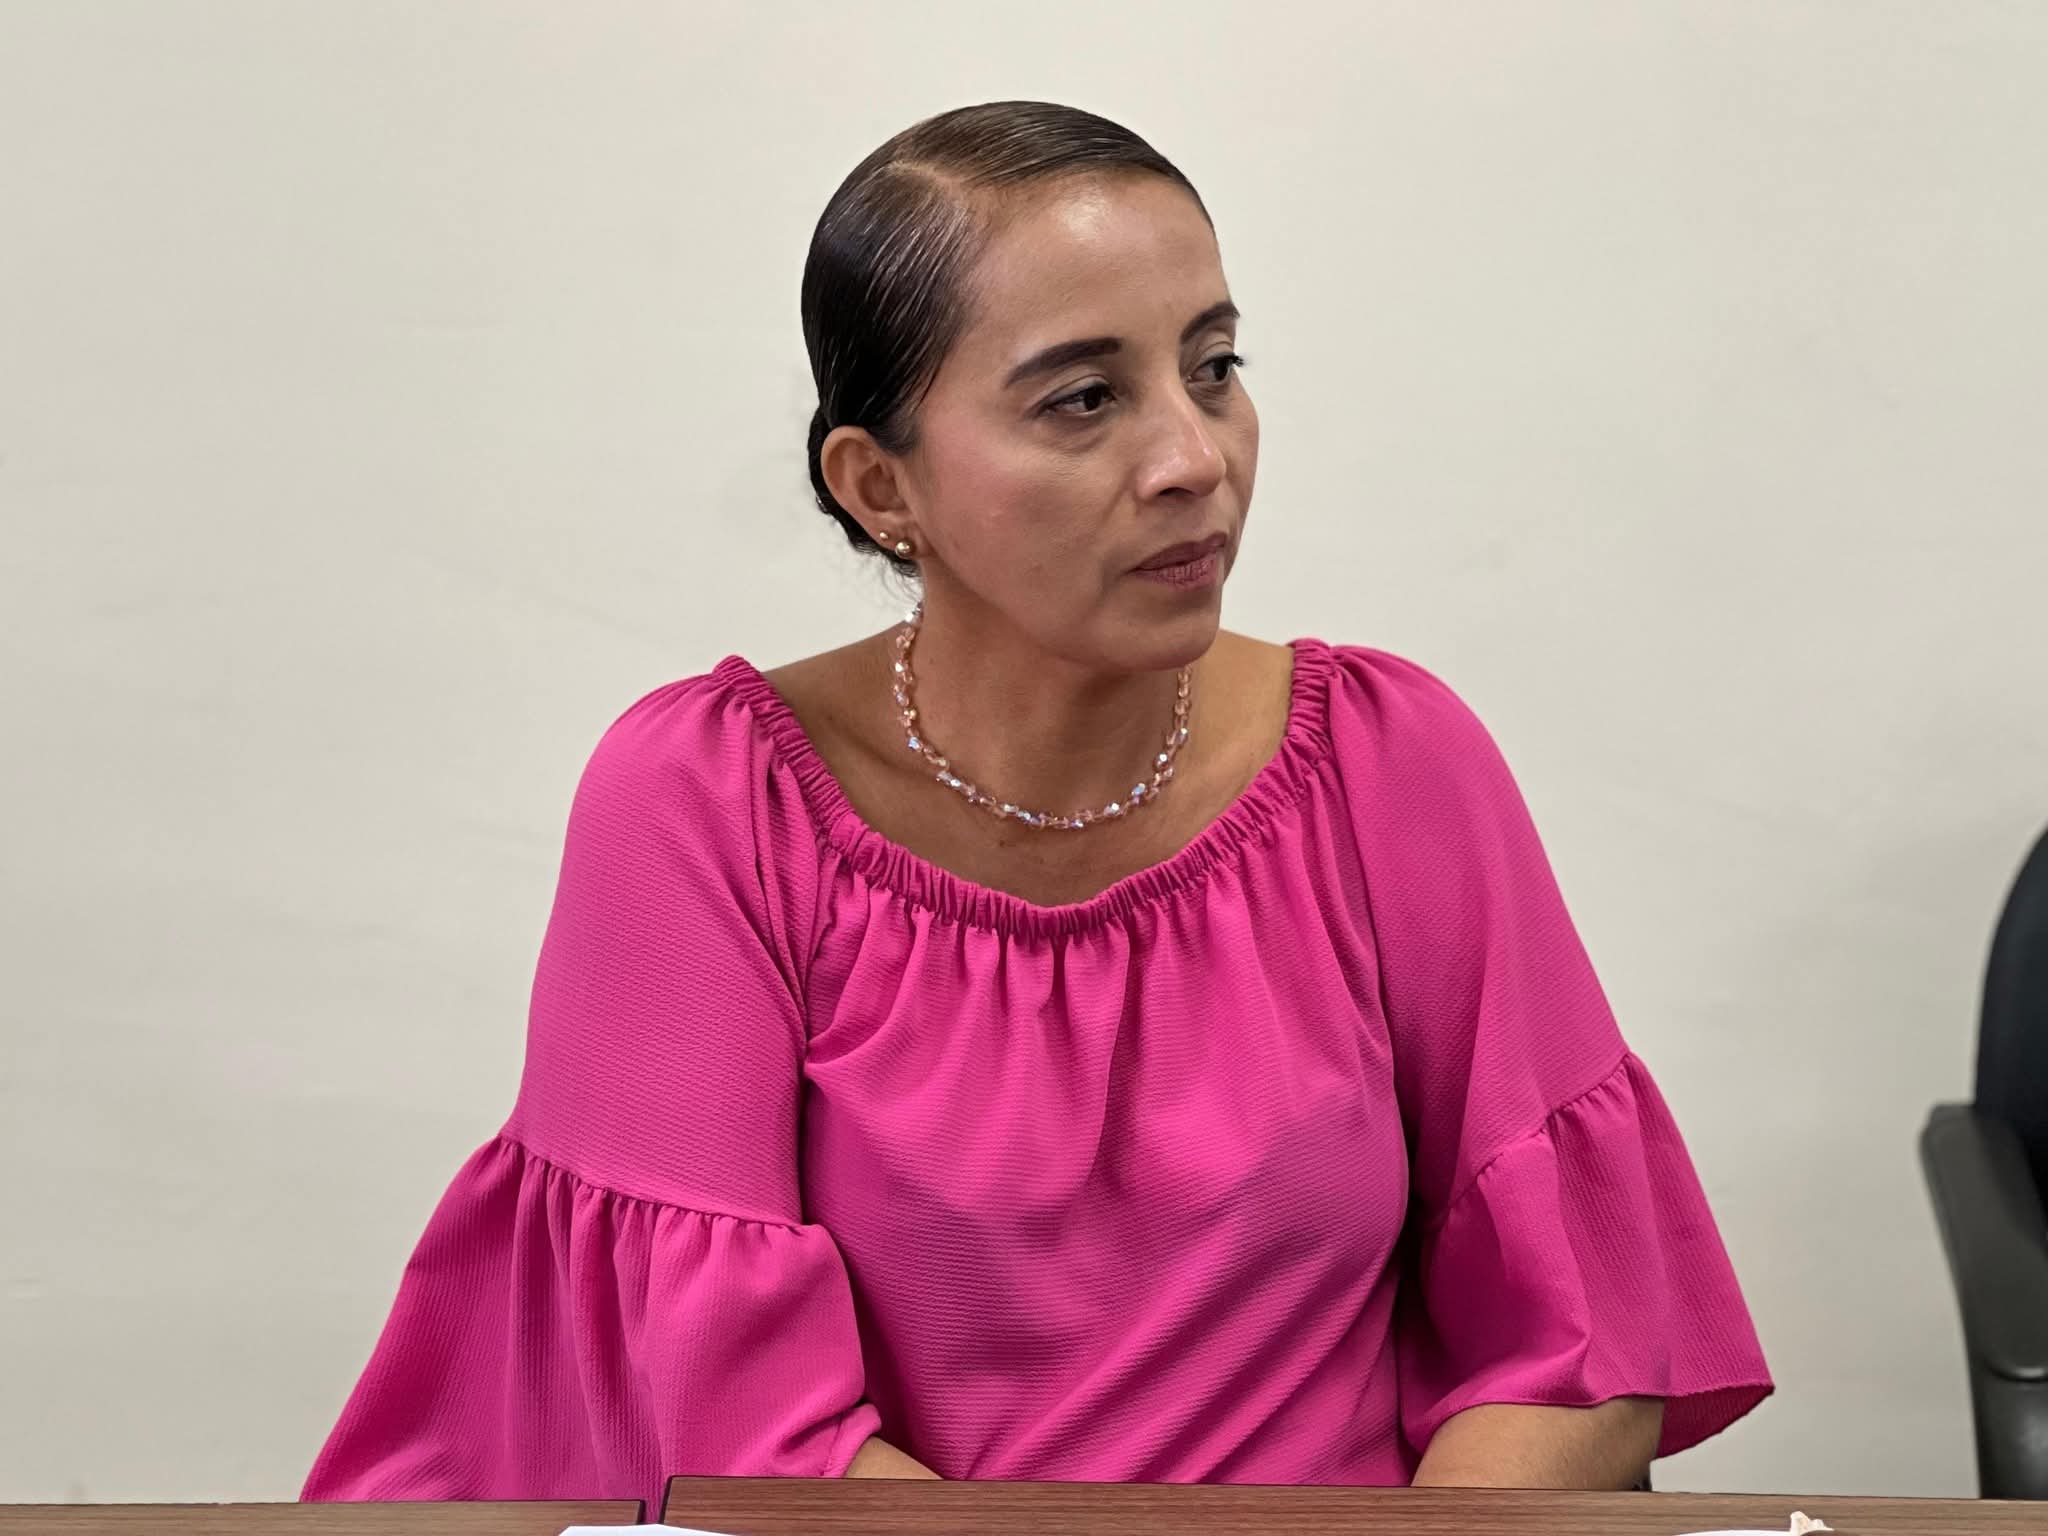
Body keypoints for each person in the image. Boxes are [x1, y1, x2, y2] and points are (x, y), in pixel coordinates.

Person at [304, 100, 1771, 1505]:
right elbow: (734, 1437)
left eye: (1214, 367)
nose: (1194, 459)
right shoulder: (708, 805)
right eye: (1083, 399)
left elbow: (1573, 1342)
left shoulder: (1394, 766)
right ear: (883, 488)